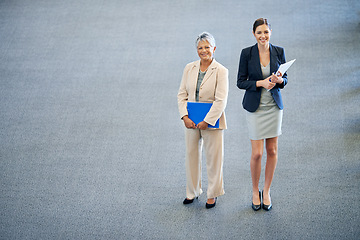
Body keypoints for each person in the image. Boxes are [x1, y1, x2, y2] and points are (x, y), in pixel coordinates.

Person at [237, 18, 288, 211]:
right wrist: (261, 83)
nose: (263, 36)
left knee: (272, 151)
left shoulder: (279, 52)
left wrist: (279, 80)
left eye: (266, 32)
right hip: (255, 108)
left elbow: (286, 80)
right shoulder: (246, 53)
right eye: (259, 32)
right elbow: (240, 82)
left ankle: (266, 191)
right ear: (254, 34)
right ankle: (254, 190)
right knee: (257, 153)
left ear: (270, 32)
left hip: (273, 107)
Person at [178, 32, 228, 209]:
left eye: (207, 47)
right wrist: (184, 116)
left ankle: (212, 194)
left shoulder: (221, 71)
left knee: (214, 159)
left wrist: (207, 120)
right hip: (191, 121)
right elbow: (182, 94)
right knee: (191, 156)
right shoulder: (189, 68)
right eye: (200, 48)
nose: (204, 50)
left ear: (214, 49)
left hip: (212, 121)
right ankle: (192, 192)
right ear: (196, 50)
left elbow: (221, 100)